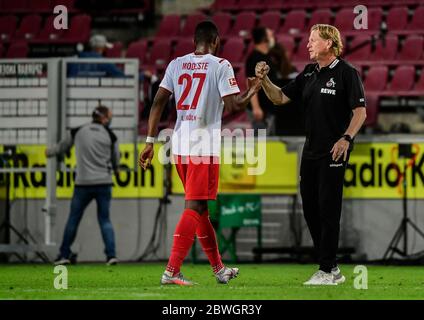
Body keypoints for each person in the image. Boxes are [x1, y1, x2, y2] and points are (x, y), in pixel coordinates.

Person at [138, 21, 262, 286]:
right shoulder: (221, 65)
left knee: (201, 209)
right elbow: (232, 105)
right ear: (216, 41)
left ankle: (219, 269)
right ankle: (171, 271)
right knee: (194, 207)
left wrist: (149, 141)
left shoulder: (176, 64)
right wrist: (253, 89)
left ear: (195, 41)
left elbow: (158, 101)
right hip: (203, 146)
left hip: (179, 145)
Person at [256, 24, 367, 285]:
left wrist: (346, 138)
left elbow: (360, 112)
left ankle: (327, 270)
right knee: (310, 210)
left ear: (329, 43)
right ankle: (331, 267)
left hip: (334, 151)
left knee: (329, 210)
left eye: (313, 40)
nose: (307, 44)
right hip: (310, 152)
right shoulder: (308, 73)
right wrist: (264, 81)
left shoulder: (347, 73)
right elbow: (280, 98)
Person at [46, 106, 120, 266]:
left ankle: (64, 254)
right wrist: (117, 171)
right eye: (110, 117)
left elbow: (61, 147)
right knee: (105, 220)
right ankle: (111, 255)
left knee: (73, 219)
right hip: (104, 183)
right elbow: (116, 160)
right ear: (104, 118)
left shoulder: (77, 131)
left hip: (82, 184)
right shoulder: (111, 135)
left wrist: (49, 152)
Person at [245, 27, 278, 135]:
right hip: (260, 109)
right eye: (270, 35)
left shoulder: (269, 56)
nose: (272, 37)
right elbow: (251, 84)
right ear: (264, 38)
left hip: (270, 107)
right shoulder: (254, 58)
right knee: (261, 142)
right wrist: (256, 108)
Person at [268, 42, 304, 136]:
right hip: (296, 125)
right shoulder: (295, 75)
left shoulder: (272, 79)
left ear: (273, 59)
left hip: (283, 124)